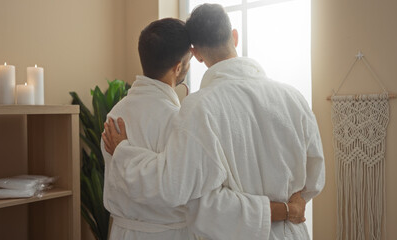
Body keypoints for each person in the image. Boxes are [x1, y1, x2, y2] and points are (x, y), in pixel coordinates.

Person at [101, 18, 306, 240]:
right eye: (189, 60)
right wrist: (284, 210)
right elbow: (184, 190)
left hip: (122, 233)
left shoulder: (115, 115)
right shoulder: (182, 120)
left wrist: (123, 150)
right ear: (178, 67)